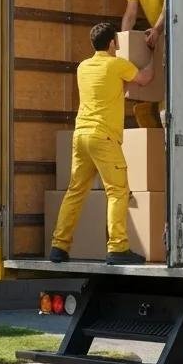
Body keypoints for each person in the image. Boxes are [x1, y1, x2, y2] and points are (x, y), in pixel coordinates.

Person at [50, 21, 156, 265]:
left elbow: (109, 88)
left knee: (75, 192)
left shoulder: (83, 67)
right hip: (104, 137)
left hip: (81, 136)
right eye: (116, 42)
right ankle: (118, 247)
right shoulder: (117, 64)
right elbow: (145, 78)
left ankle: (59, 246)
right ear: (111, 43)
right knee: (117, 191)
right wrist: (154, 54)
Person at [120, 0, 166, 128]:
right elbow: (131, 13)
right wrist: (123, 42)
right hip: (157, 36)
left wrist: (157, 29)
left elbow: (169, 7)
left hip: (172, 31)